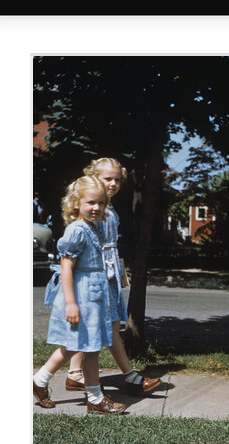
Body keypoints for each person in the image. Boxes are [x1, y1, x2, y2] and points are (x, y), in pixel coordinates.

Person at [66, 157, 161, 396]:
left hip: (110, 274)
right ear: (93, 176)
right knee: (110, 326)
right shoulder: (95, 210)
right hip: (97, 275)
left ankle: (74, 373)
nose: (113, 183)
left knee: (100, 326)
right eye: (107, 178)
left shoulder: (110, 210)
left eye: (117, 179)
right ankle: (130, 376)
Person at [33, 175, 127, 415]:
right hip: (81, 296)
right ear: (76, 203)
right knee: (87, 347)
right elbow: (66, 268)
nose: (96, 208)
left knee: (78, 346)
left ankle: (40, 380)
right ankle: (95, 399)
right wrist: (71, 303)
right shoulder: (76, 230)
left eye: (101, 203)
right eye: (90, 203)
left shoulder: (92, 227)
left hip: (93, 296)